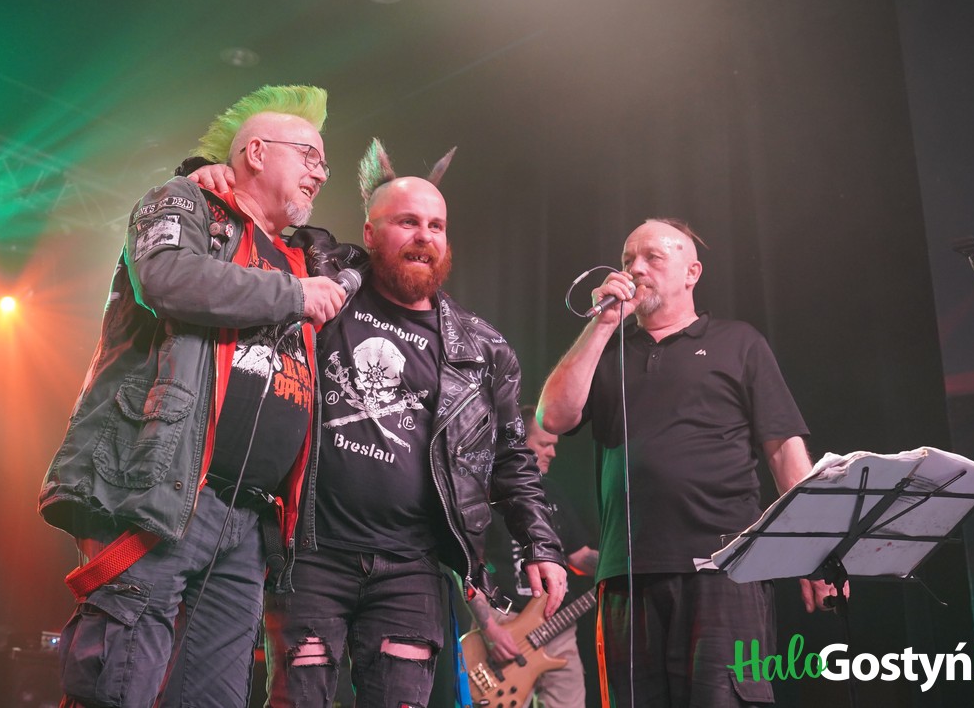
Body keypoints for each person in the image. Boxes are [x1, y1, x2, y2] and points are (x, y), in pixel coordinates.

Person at [190, 139, 568, 708]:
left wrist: (541, 543)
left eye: (436, 226)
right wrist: (209, 176)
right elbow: (253, 223)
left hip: (411, 569)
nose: (424, 236)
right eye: (407, 222)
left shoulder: (482, 349)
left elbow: (512, 459)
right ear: (369, 233)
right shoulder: (321, 275)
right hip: (310, 552)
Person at [37, 85, 350, 708]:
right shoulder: (185, 203)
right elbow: (166, 277)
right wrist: (294, 296)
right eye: (309, 155)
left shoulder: (303, 255)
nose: (320, 172)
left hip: (249, 520)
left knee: (215, 698)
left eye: (324, 163)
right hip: (166, 496)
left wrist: (306, 281)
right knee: (118, 684)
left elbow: (368, 265)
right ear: (255, 152)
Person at [537, 218, 840, 708]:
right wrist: (602, 324)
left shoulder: (738, 343)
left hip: (725, 571)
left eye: (652, 257)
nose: (636, 269)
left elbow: (784, 452)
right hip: (627, 577)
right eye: (628, 260)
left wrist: (814, 551)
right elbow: (552, 416)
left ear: (691, 273)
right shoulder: (607, 350)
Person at [468, 405, 599, 708]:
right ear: (518, 443)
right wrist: (490, 629)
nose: (553, 452)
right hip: (504, 624)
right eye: (544, 444)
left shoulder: (553, 493)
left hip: (558, 627)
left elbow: (579, 557)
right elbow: (469, 567)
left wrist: (622, 562)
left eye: (554, 445)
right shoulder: (484, 497)